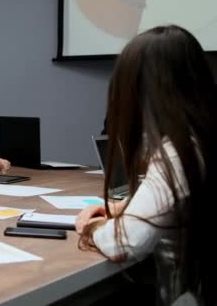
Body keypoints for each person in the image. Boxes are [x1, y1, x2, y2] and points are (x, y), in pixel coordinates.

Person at [75, 25, 216, 305]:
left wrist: (95, 227)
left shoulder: (177, 153)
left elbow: (125, 242)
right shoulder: (201, 136)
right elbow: (179, 202)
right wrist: (126, 205)